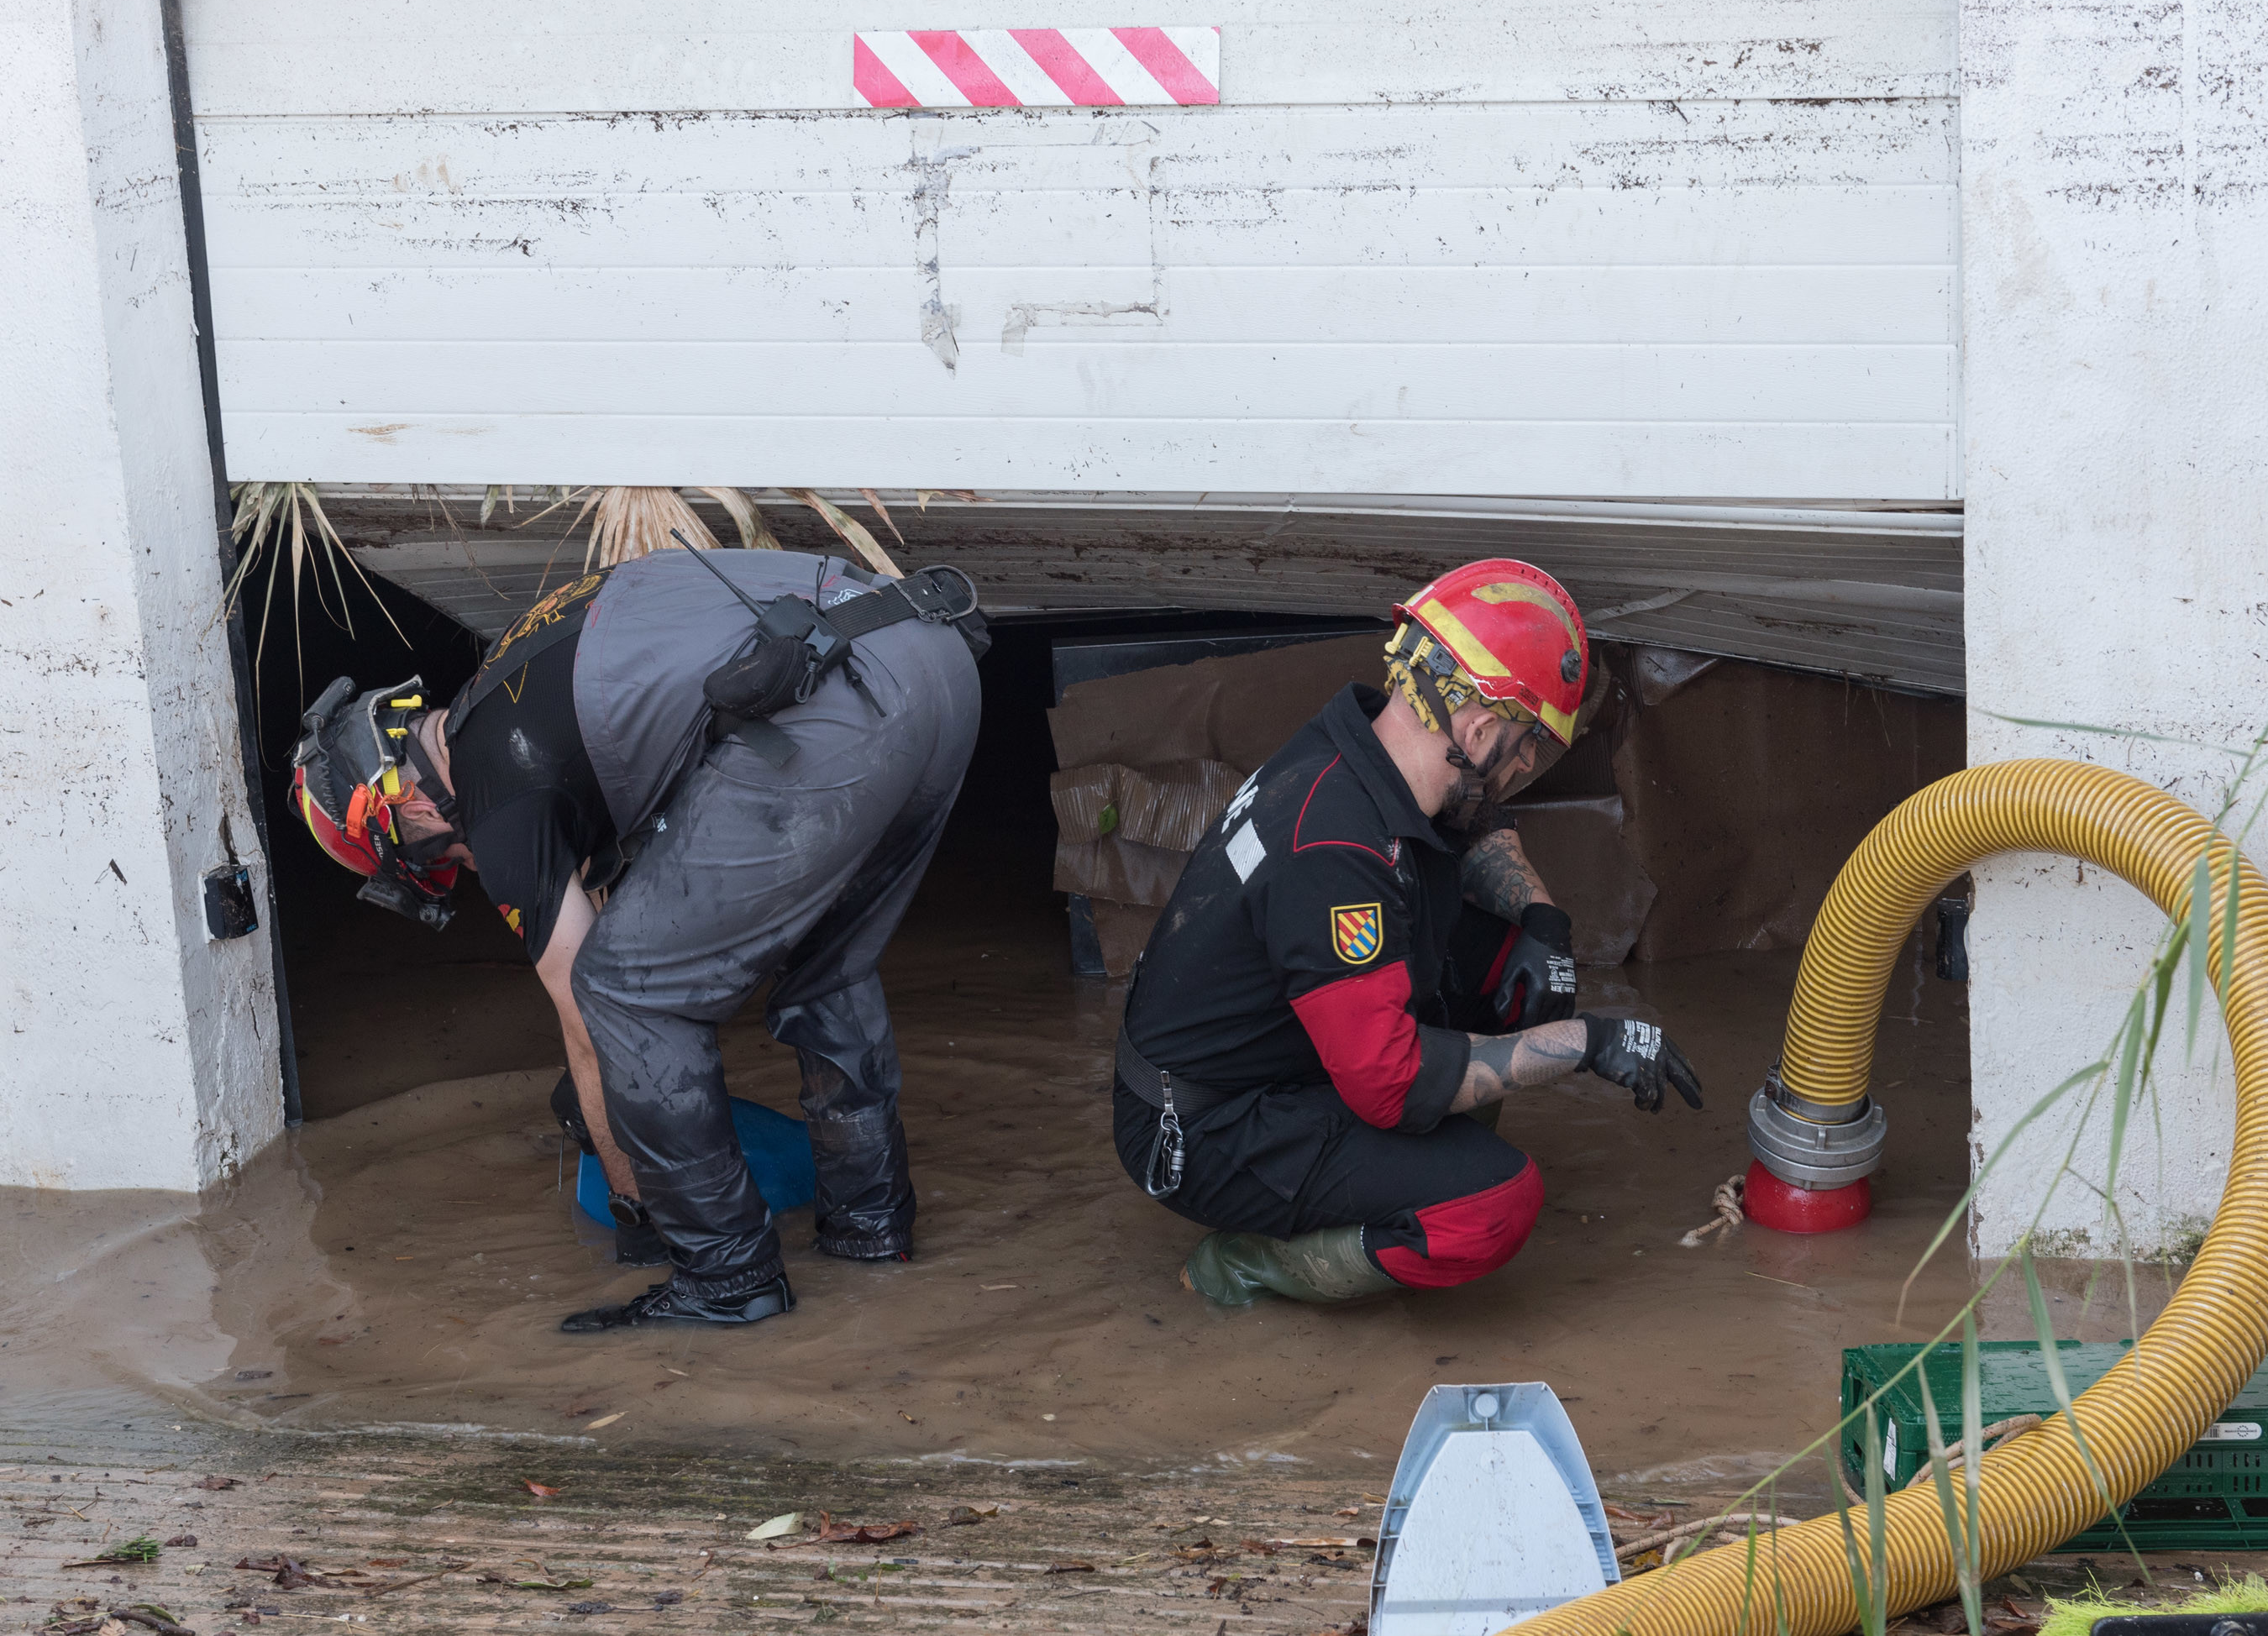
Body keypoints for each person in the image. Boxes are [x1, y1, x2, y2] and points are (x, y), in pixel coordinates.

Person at [288, 544, 988, 1331]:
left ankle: (729, 1275)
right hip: (936, 654)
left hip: (838, 706)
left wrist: (636, 1208)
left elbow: (595, 1028)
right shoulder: (519, 671)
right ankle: (869, 1229)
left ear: (407, 808)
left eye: (443, 858)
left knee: (622, 992)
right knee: (828, 963)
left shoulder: (497, 798)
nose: (472, 865)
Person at [1113, 558, 1703, 1307]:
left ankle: (1414, 1158)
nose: (1526, 765)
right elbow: (1388, 1085)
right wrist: (1589, 1043)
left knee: (1517, 983)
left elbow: (1474, 817)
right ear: (1478, 725)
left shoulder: (1366, 744)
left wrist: (1543, 922)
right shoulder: (1332, 849)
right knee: (1494, 1206)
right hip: (1207, 1129)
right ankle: (1249, 1260)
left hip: (1268, 1052)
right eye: (1524, 745)